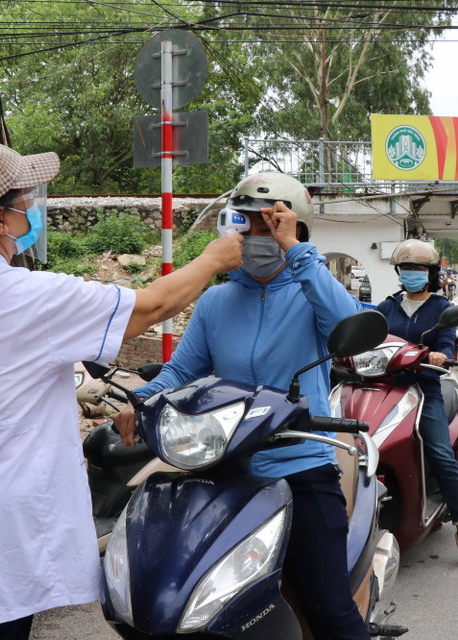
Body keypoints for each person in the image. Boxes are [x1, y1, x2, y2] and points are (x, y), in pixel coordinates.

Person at [0, 139, 242, 639]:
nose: (33, 209)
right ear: (1, 219)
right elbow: (151, 308)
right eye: (26, 201)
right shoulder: (36, 297)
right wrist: (214, 258)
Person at [114, 172, 370, 640]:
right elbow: (179, 372)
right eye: (246, 223)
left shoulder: (312, 292)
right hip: (225, 464)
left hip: (300, 462)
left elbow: (349, 327)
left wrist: (297, 251)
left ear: (295, 229)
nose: (254, 237)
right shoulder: (215, 300)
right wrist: (142, 400)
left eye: (268, 224)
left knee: (330, 610)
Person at [375, 240, 458, 572]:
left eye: (419, 269)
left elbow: (448, 343)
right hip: (384, 388)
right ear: (399, 272)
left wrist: (441, 355)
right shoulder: (386, 307)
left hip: (425, 389)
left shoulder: (440, 307)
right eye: (407, 268)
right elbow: (367, 337)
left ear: (431, 273)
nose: (412, 274)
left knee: (440, 453)